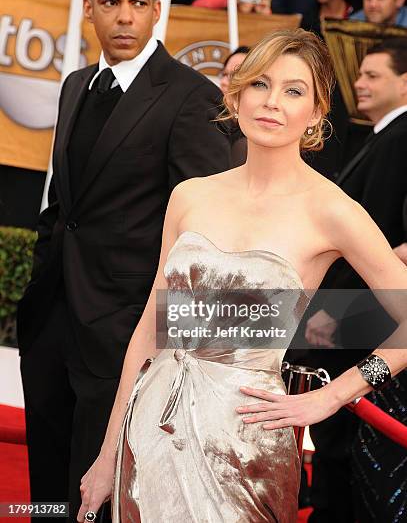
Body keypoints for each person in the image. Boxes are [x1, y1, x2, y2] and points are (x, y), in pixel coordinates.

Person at [77, 29, 407, 523]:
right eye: (260, 84)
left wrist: (331, 397)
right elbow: (151, 329)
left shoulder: (333, 211)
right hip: (149, 431)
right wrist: (107, 454)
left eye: (294, 91)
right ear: (236, 94)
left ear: (316, 113)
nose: (272, 102)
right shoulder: (191, 195)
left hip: (245, 449)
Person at [17, 0, 232, 521]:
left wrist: (164, 326)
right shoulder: (75, 85)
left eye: (138, 4)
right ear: (89, 8)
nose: (125, 18)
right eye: (110, 3)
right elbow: (65, 205)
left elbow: (204, 228)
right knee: (46, 492)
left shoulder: (190, 96)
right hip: (53, 321)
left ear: (157, 9)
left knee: (101, 492)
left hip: (124, 332)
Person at [252, 38, 407, 522]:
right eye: (260, 84)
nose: (360, 83)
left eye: (374, 75)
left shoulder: (399, 140)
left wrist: (336, 385)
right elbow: (173, 317)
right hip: (332, 322)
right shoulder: (193, 196)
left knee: (344, 453)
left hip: (357, 321)